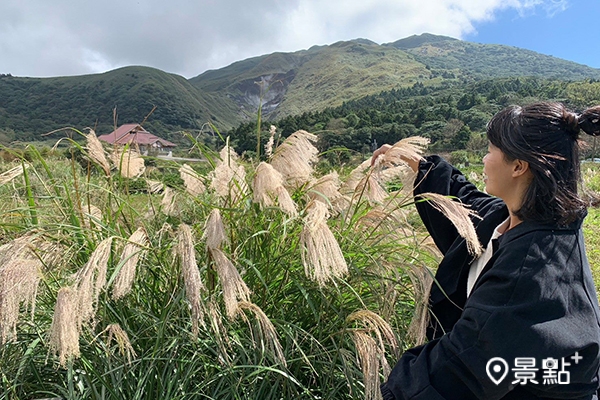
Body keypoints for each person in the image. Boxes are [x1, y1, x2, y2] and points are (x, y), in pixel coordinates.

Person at [372, 102, 600, 399]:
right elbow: (465, 201)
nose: (483, 157)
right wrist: (415, 161)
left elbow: (462, 366)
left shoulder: (531, 268)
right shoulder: (521, 218)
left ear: (518, 166)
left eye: (491, 149)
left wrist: (395, 389)